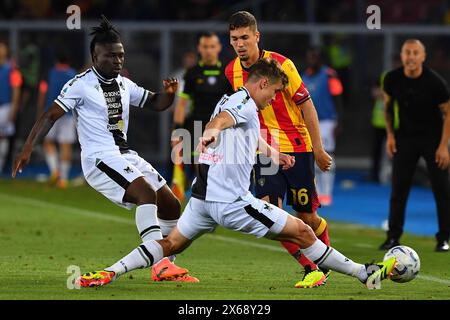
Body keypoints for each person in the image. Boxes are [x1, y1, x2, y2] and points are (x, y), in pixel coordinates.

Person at [75, 58, 397, 290]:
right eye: (273, 92)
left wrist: (274, 154)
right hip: (231, 203)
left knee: (170, 243)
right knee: (302, 231)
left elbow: (244, 132)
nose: (273, 99)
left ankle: (109, 272)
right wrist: (211, 132)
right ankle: (363, 273)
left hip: (201, 200)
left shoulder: (236, 99)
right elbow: (225, 121)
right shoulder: (241, 104)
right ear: (262, 83)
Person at [12, 16, 197, 282]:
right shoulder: (80, 84)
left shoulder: (123, 83)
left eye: (121, 56)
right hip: (99, 159)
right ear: (95, 57)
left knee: (171, 204)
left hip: (125, 155)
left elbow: (154, 103)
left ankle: (165, 263)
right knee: (145, 193)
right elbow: (50, 115)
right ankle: (162, 266)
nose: (118, 61)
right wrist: (28, 147)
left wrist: (168, 95)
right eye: (111, 56)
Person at [225, 11, 332, 288]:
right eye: (235, 39)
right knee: (270, 214)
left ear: (257, 36)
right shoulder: (231, 71)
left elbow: (306, 105)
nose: (240, 44)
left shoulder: (282, 64)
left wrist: (318, 150)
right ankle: (311, 267)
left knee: (307, 216)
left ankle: (324, 251)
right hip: (265, 150)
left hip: (297, 147)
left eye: (245, 38)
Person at [379, 39, 450, 252]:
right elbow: (388, 109)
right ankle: (393, 237)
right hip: (405, 139)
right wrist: (390, 137)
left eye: (415, 53)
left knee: (442, 190)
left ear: (423, 56)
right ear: (401, 56)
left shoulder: (435, 82)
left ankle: (444, 239)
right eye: (407, 52)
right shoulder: (392, 79)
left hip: (433, 140)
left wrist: (443, 146)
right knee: (398, 189)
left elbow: (448, 114)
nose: (411, 57)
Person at [171, 32, 232, 201]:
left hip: (220, 127)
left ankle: (217, 198)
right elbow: (182, 104)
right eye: (205, 47)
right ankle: (203, 199)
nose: (208, 50)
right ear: (200, 48)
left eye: (212, 46)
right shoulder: (192, 73)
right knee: (201, 165)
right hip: (197, 125)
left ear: (218, 48)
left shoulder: (226, 72)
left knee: (221, 166)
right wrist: (177, 131)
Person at [301, 47, 343, 206]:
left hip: (327, 121)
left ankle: (327, 192)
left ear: (320, 59)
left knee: (327, 154)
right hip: (310, 122)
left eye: (314, 57)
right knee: (312, 158)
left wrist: (340, 120)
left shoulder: (329, 75)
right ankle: (317, 192)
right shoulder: (304, 76)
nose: (311, 60)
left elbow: (338, 98)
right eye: (309, 57)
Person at [36, 52, 77, 188]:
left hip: (52, 112)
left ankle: (55, 171)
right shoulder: (73, 75)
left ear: (56, 61)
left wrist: (40, 110)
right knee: (66, 145)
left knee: (47, 142)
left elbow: (43, 91)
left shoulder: (50, 73)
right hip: (68, 113)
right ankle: (63, 179)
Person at [0, 41, 22, 174]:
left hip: (5, 106)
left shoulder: (12, 69)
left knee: (3, 136)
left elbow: (16, 89)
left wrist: (14, 107)